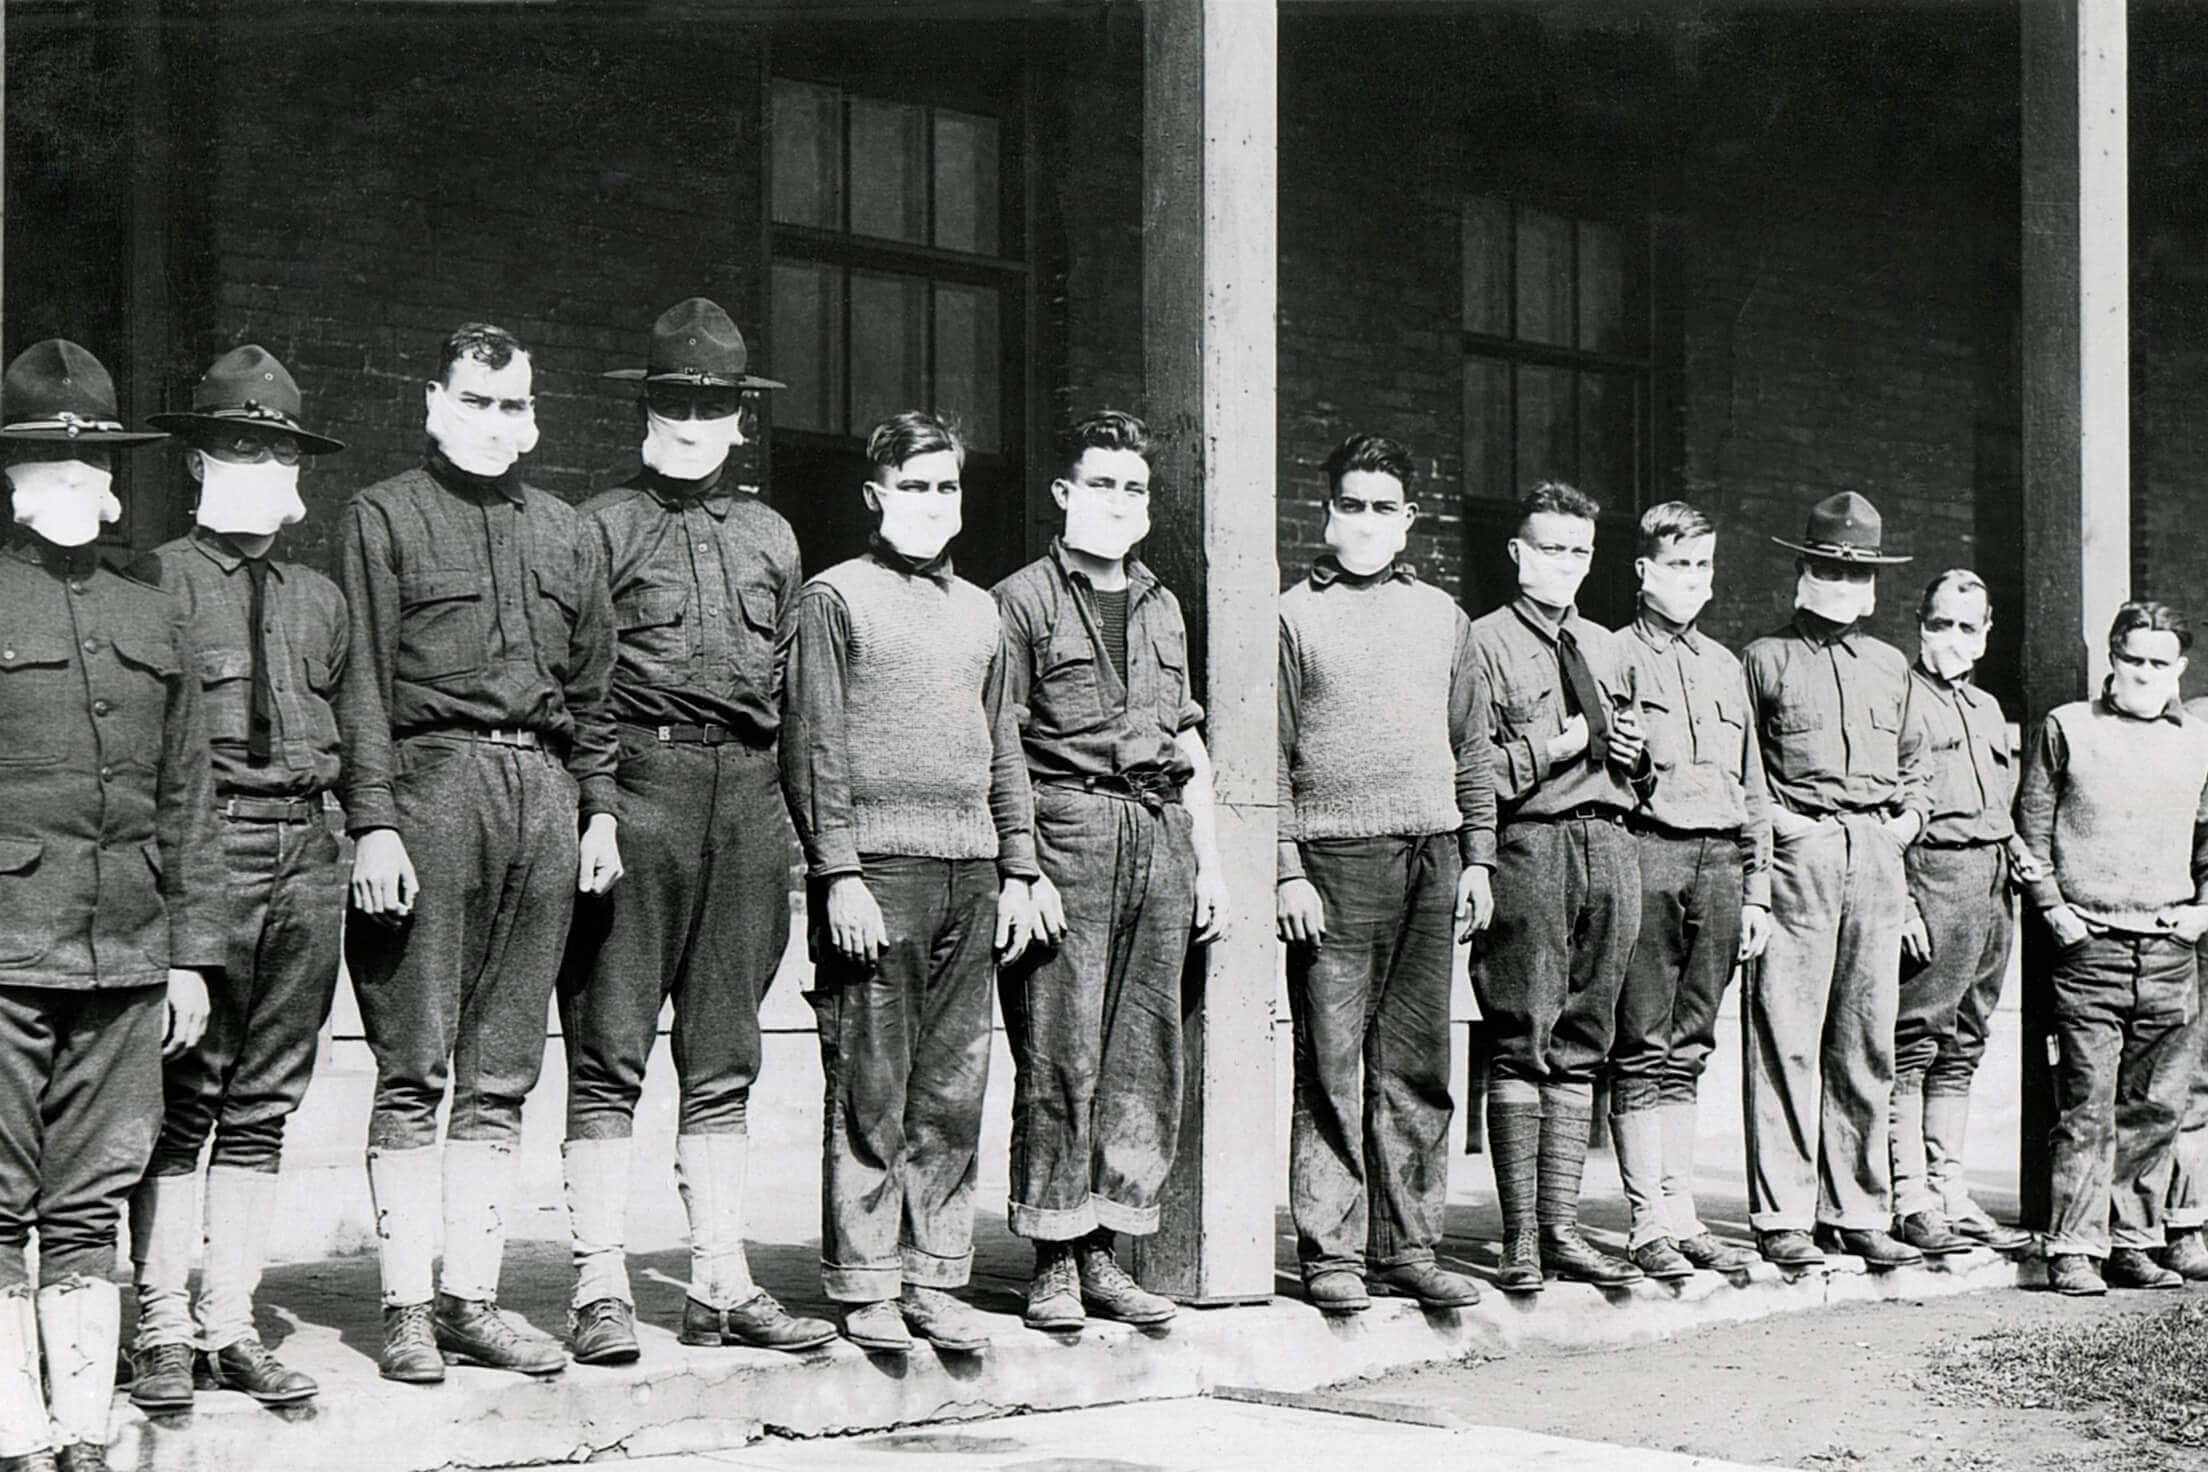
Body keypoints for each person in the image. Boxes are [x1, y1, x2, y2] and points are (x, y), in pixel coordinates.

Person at [339, 322, 620, 1383]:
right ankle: (407, 1301)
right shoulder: (384, 515)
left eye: (512, 405)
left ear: (533, 414)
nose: (494, 422)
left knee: (502, 1067)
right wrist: (373, 820)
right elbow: (361, 680)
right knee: (415, 1060)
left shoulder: (564, 530)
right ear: (433, 401)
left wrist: (596, 808)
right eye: (475, 400)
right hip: (431, 785)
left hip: (543, 793)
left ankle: (473, 1298)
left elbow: (594, 695)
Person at [556, 298, 831, 1362]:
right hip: (642, 786)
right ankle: (598, 1287)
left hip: (750, 798)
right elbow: (578, 686)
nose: (694, 420)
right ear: (646, 406)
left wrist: (803, 837)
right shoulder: (601, 526)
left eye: (714, 403)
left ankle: (719, 1279)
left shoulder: (771, 534)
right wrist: (597, 807)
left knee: (727, 1051)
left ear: (740, 418)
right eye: (675, 400)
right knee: (608, 1047)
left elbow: (796, 689)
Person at [0, 340, 220, 1472]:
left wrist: (191, 954)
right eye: (50, 466)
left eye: (95, 470)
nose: (77, 488)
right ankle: (12, 1431)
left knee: (91, 1197)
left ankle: (82, 1428)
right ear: (12, 478)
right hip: (5, 954)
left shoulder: (154, 605)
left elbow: (190, 794)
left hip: (129, 954)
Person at [781, 410, 1040, 1356]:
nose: (934, 505)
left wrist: (1019, 865)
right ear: (876, 495)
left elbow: (1000, 744)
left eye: (948, 488)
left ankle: (935, 1277)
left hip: (970, 872)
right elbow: (813, 747)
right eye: (916, 487)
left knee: (953, 1089)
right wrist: (837, 873)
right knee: (870, 1086)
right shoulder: (833, 598)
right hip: (878, 874)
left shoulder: (983, 613)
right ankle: (863, 1283)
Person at [127, 347, 350, 1412]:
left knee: (263, 1101)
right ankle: (162, 1321)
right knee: (183, 1096)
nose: (257, 465)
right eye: (237, 445)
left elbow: (358, 731)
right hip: (207, 848)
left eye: (276, 448)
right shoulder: (156, 579)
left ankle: (230, 1320)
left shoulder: (320, 598)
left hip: (309, 848)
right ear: (198, 462)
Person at [992, 410, 1224, 1333]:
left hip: (1159, 832)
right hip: (1069, 827)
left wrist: (1207, 860)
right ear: (1064, 493)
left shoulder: (1165, 604)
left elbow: (1189, 736)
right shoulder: (1021, 601)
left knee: (1144, 1053)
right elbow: (1002, 741)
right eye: (1102, 485)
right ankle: (1051, 1255)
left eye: (1134, 489)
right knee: (1061, 1047)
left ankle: (1105, 1253)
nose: (1120, 504)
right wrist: (1022, 864)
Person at [1276, 433, 1495, 1314]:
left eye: (1383, 508)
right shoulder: (1291, 616)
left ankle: (1409, 1243)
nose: (1365, 523)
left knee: (1416, 1064)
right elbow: (1271, 756)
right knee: (1331, 1062)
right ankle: (1332, 1250)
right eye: (1350, 505)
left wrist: (1478, 855)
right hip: (1335, 862)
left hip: (1432, 858)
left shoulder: (1444, 618)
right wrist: (1287, 869)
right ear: (1327, 513)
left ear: (1409, 521)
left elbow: (1470, 746)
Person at [1468, 481, 1648, 1293]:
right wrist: (1556, 743)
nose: (1565, 566)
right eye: (1549, 549)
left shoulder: (1610, 648)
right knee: (1522, 1030)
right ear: (1517, 553)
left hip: (1609, 842)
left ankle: (1563, 1227)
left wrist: (1635, 751)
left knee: (1585, 1039)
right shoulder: (1480, 644)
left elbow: (1638, 768)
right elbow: (1474, 771)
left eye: (1578, 551)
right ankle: (1519, 1242)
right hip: (1531, 844)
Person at [1741, 491, 1928, 1271]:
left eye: (1858, 574)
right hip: (1801, 856)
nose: (1843, 584)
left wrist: (1900, 828)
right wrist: (1787, 832)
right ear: (1801, 571)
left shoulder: (1891, 667)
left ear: (1876, 585)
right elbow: (1748, 773)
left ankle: (1856, 1209)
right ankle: (1783, 1213)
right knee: (1786, 1035)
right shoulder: (1765, 659)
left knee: (1865, 1041)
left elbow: (1919, 772)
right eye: (1828, 568)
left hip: (1875, 858)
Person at [2016, 601, 2208, 1296]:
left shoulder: (2197, 743)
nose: (2146, 673)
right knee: (2086, 1104)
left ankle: (2133, 1241)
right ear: (2113, 660)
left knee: (2157, 1106)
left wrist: (2200, 914)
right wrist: (2055, 912)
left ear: (2180, 668)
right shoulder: (2069, 728)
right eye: (2134, 659)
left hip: (2167, 951)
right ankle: (2073, 1246)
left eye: (2161, 662)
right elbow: (2029, 831)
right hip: (2089, 947)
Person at [1606, 502, 1770, 1281]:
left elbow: (1754, 785)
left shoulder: (1725, 666)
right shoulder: (1614, 656)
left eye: (1703, 566)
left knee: (1691, 1044)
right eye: (1678, 566)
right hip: (1649, 852)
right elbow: (1608, 774)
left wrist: (1760, 887)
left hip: (1721, 865)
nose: (1693, 581)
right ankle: (1647, 1223)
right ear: (1643, 572)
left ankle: (1683, 1211)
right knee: (1643, 1040)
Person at [1889, 570, 2034, 1258]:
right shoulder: (1899, 698)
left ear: (1986, 632)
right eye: (1940, 623)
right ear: (1920, 624)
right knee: (1914, 1038)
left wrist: (2021, 855)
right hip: (1933, 873)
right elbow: (1890, 810)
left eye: (1966, 627)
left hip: (1992, 883)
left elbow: (1996, 805)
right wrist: (1904, 901)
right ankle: (1908, 1194)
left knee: (1965, 1042)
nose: (1952, 638)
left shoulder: (1984, 707)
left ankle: (1949, 1188)